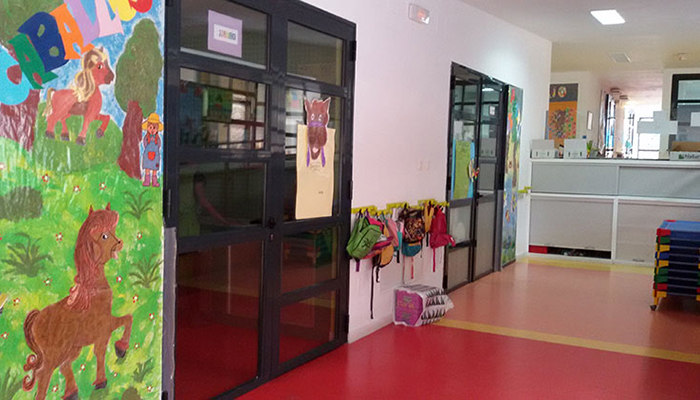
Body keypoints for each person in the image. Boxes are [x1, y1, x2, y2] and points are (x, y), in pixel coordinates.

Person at [142, 113, 162, 187]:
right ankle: (147, 181)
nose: (152, 130)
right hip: (147, 155)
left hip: (155, 155)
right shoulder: (146, 137)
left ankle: (154, 182)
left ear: (157, 129)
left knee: (154, 170)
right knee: (147, 168)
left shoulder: (157, 138)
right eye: (150, 127)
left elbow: (159, 145)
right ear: (147, 128)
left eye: (154, 128)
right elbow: (145, 144)